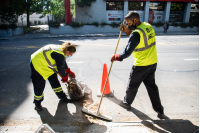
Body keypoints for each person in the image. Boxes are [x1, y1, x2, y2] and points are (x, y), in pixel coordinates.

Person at [110, 11, 167, 119]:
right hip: (152, 62)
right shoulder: (147, 26)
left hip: (141, 64)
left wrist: (116, 57)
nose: (127, 25)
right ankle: (159, 109)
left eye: (129, 23)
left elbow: (127, 51)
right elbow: (139, 39)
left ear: (135, 20)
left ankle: (126, 103)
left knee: (132, 85)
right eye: (126, 23)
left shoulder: (136, 33)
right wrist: (128, 31)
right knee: (152, 87)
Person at [30, 42, 76, 111]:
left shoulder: (62, 50)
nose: (70, 56)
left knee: (54, 81)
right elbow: (60, 69)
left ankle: (62, 96)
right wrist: (65, 76)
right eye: (70, 55)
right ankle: (37, 103)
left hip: (47, 65)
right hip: (37, 65)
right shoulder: (59, 54)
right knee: (39, 85)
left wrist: (68, 71)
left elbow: (62, 62)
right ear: (68, 51)